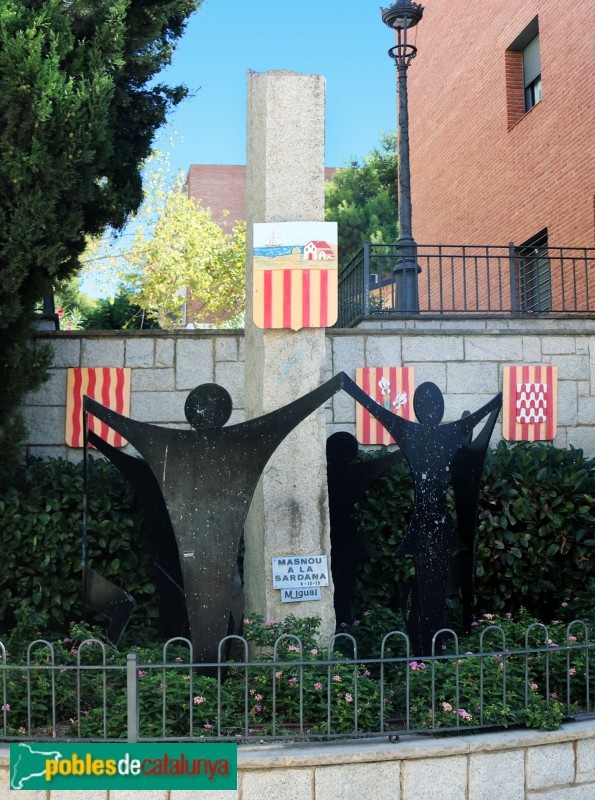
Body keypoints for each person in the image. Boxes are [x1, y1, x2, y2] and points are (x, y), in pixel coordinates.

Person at [84, 373, 345, 667]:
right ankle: (210, 675)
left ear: (191, 413)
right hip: (213, 554)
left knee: (207, 606)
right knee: (214, 606)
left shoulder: (171, 445)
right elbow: (289, 414)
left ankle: (206, 678)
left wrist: (93, 418)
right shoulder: (241, 440)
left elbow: (116, 422)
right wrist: (335, 386)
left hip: (199, 554)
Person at [343, 376, 501, 655]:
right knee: (433, 587)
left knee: (430, 587)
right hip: (439, 528)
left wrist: (348, 385)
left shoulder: (411, 431)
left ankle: (428, 651)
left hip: (425, 529)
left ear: (417, 408)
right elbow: (483, 413)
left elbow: (376, 410)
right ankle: (431, 650)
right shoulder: (450, 432)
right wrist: (499, 398)